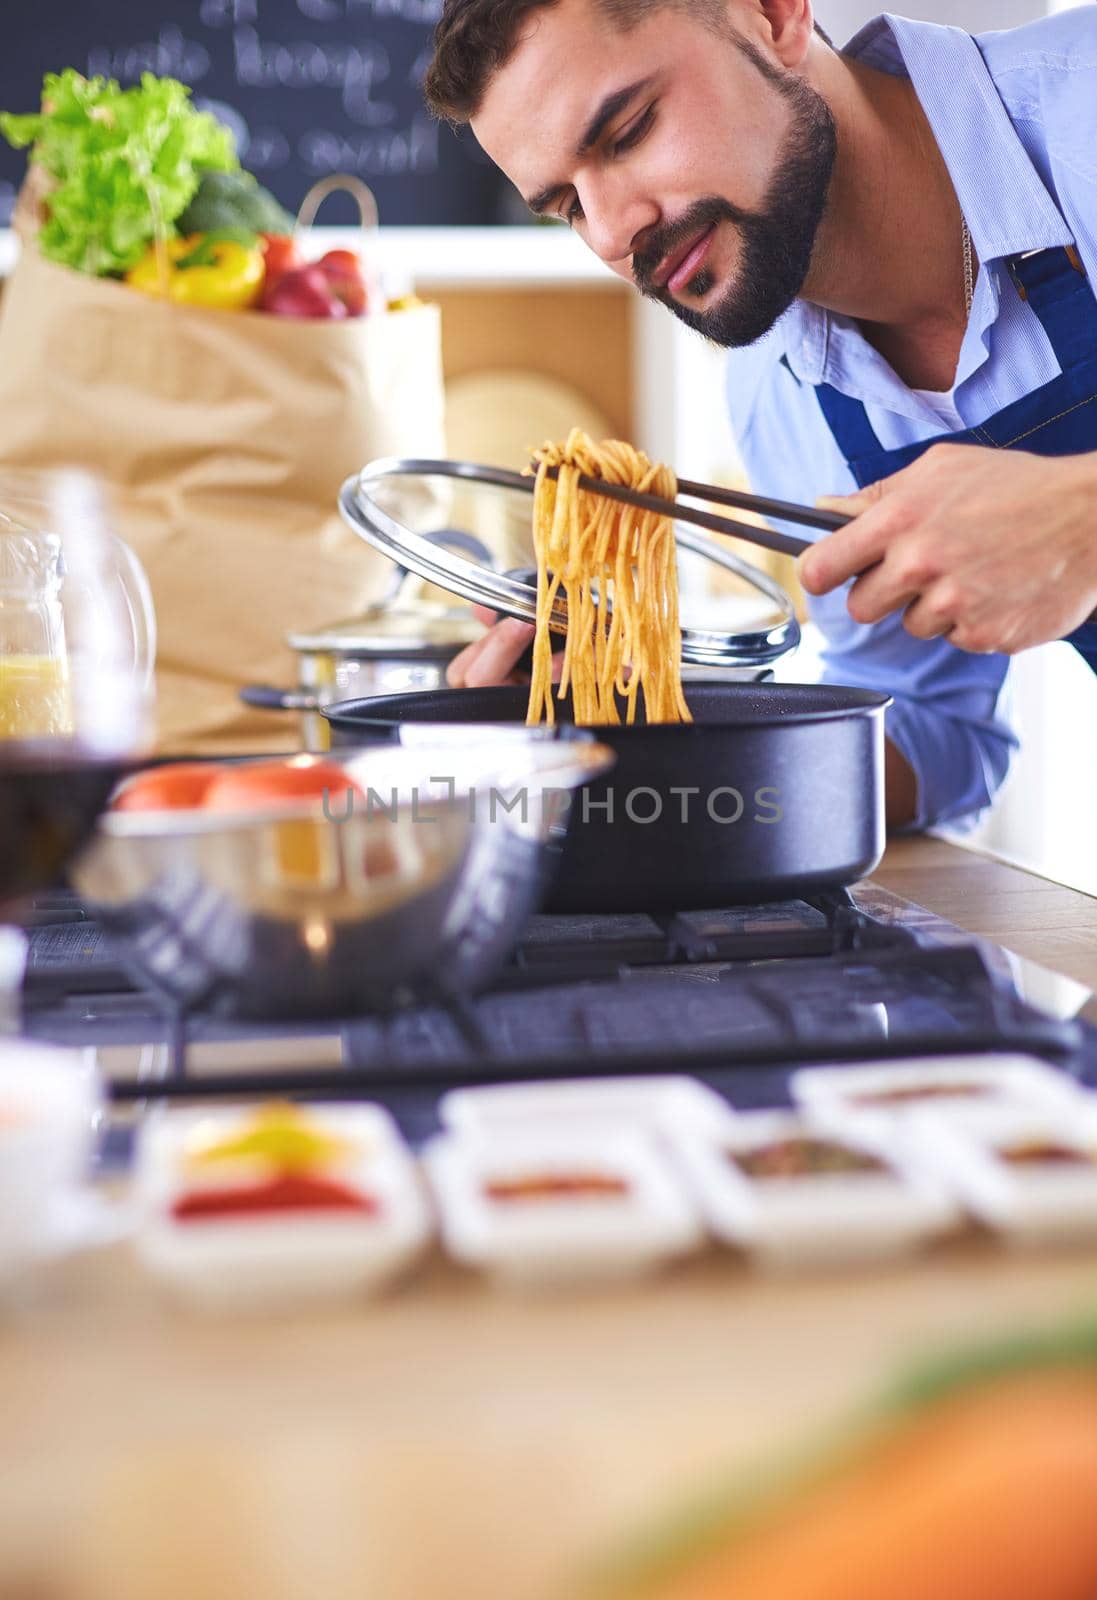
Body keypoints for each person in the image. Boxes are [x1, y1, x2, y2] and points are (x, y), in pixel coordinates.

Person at [425, 0, 1097, 828]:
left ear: (772, 16)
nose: (609, 234)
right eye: (567, 205)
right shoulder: (780, 393)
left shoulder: (1083, 113)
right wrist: (647, 737)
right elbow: (935, 733)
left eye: (629, 130)